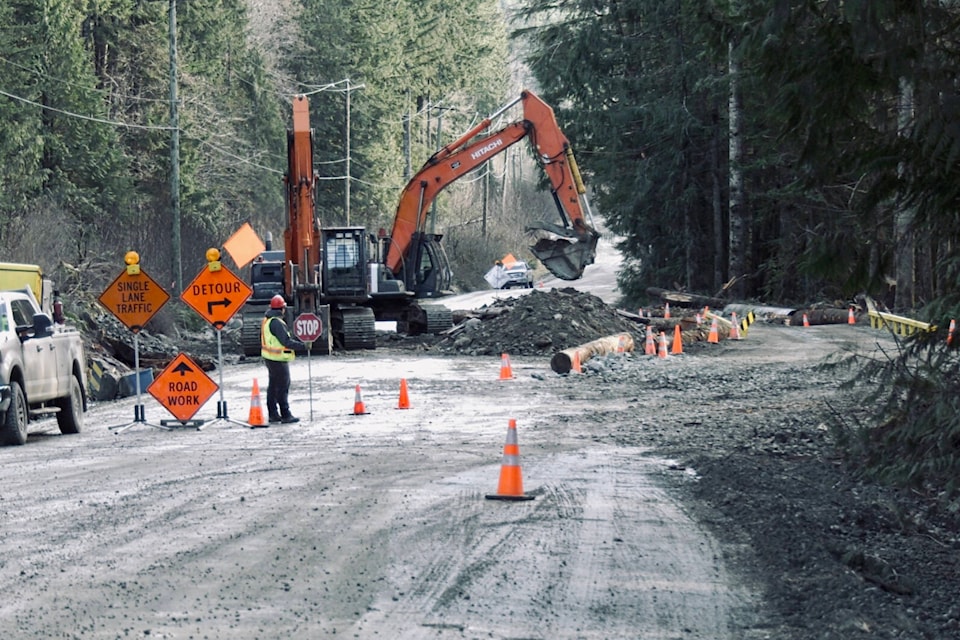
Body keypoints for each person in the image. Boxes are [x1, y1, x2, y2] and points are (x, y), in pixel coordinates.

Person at [261, 295, 304, 424]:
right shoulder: (277, 323)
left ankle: (273, 414)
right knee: (282, 386)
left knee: (273, 386)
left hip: (270, 358)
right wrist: (304, 345)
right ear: (282, 309)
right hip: (278, 359)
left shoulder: (267, 320)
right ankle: (285, 414)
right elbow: (285, 341)